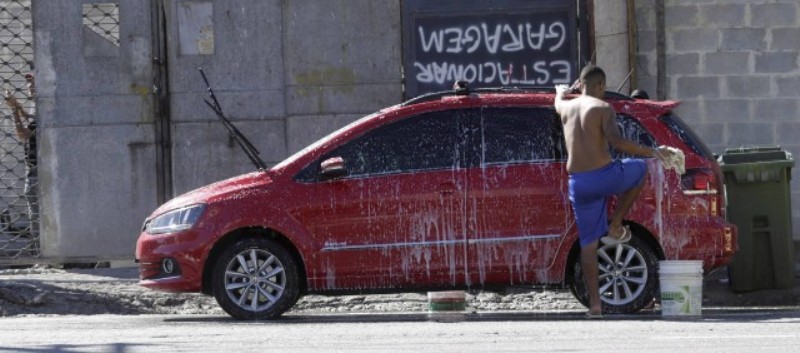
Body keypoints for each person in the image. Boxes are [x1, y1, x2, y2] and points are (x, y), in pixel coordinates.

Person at [555, 65, 673, 318]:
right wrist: (652, 151)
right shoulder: (602, 108)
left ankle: (595, 307)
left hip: (578, 182)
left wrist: (563, 91)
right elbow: (617, 142)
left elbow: (558, 100)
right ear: (600, 86)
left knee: (588, 244)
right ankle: (616, 224)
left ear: (581, 85)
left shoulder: (565, 107)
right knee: (639, 169)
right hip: (604, 177)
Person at [3, 73, 37, 246]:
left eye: (33, 82)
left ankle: (43, 256)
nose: (29, 86)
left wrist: (15, 110)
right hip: (36, 169)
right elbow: (32, 123)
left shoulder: (44, 105)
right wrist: (18, 107)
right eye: (28, 82)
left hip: (38, 171)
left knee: (37, 218)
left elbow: (24, 135)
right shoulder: (40, 105)